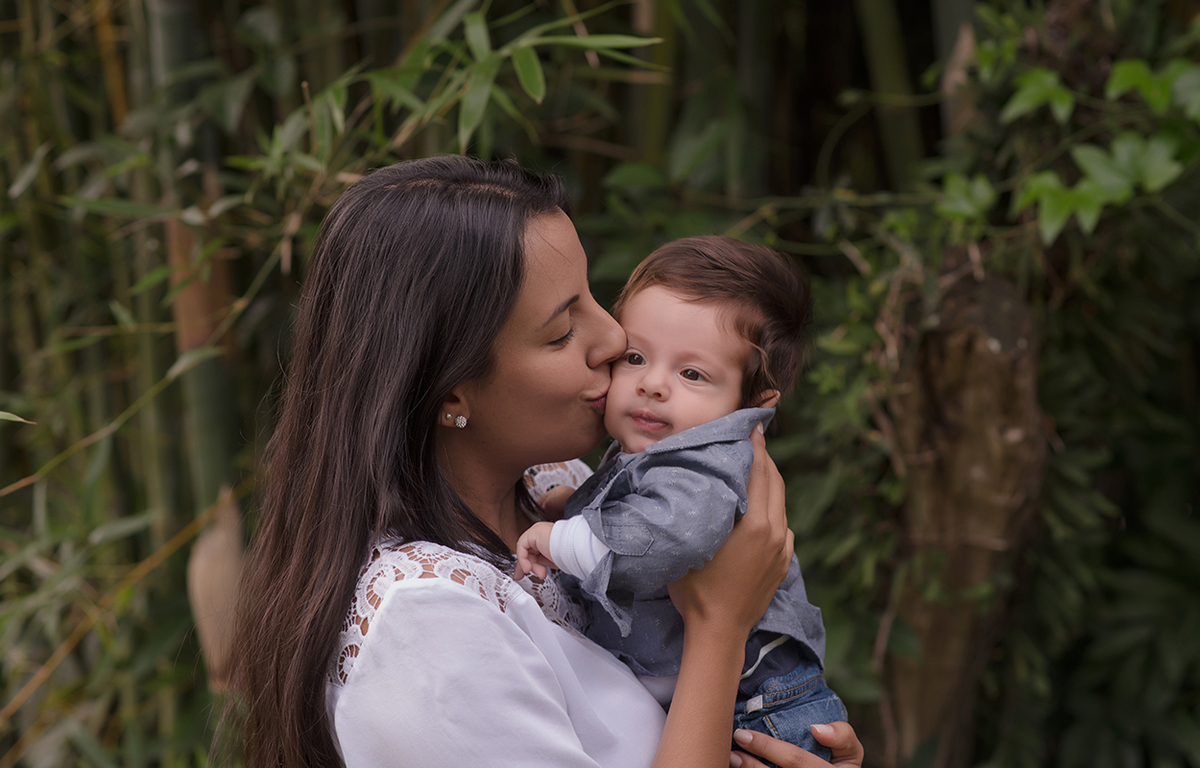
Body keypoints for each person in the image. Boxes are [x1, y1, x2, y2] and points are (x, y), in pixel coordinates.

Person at [229, 155, 866, 768]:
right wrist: (721, 624)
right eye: (562, 331)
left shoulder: (557, 488)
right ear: (451, 388)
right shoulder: (425, 627)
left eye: (595, 298)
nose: (615, 340)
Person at [514, 236, 845, 760]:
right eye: (636, 356)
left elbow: (662, 536)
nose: (653, 384)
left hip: (762, 709)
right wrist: (572, 505)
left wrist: (561, 538)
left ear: (753, 405)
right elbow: (629, 503)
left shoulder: (706, 461)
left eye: (691, 373)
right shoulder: (657, 449)